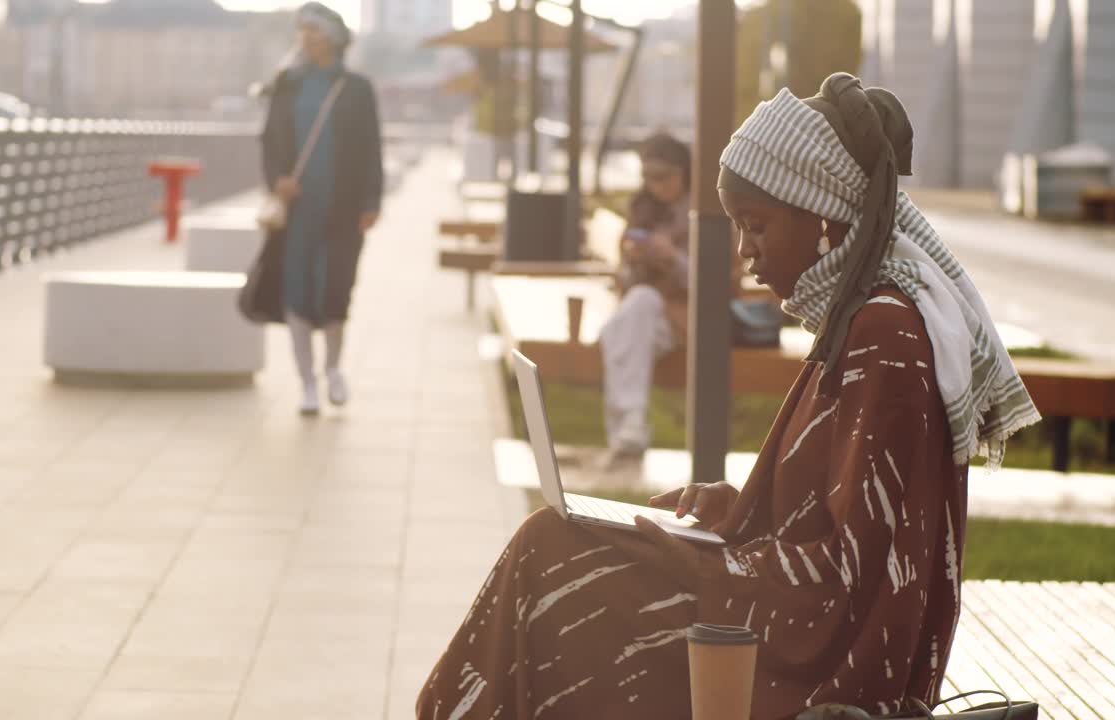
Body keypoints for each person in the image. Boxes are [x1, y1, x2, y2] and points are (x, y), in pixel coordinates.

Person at [415, 74, 1041, 719]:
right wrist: (738, 513)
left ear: (823, 214)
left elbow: (852, 588)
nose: (745, 253)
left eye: (758, 227)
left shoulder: (884, 333)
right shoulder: (865, 319)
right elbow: (841, 522)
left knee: (551, 554)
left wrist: (713, 566)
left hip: (822, 663)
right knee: (551, 544)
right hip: (786, 618)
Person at [247, 2, 383, 415]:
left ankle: (334, 369)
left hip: (342, 207)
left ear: (335, 38)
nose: (306, 37)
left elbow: (371, 149)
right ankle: (307, 382)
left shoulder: (357, 89)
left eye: (315, 30)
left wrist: (372, 201)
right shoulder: (287, 85)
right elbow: (269, 140)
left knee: (336, 288)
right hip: (297, 209)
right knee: (297, 290)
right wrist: (278, 181)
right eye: (301, 30)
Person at [598, 132, 692, 464]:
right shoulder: (643, 208)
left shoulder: (706, 214)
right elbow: (627, 276)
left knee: (622, 325)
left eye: (663, 177)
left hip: (687, 317)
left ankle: (630, 422)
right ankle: (631, 422)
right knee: (628, 319)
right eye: (648, 177)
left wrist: (673, 259)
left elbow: (715, 282)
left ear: (684, 172)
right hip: (650, 316)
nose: (655, 185)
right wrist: (634, 256)